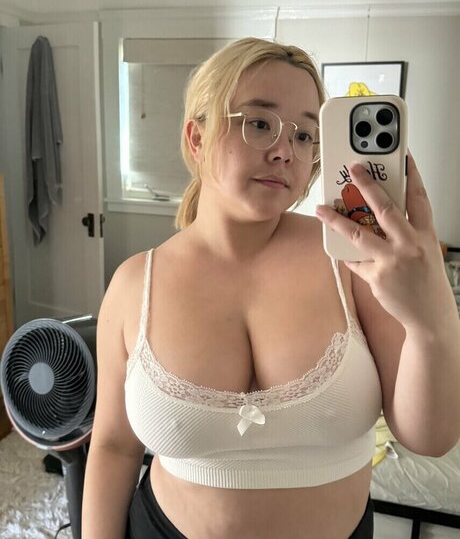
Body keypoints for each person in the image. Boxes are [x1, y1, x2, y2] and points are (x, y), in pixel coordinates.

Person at [81, 37, 460, 539]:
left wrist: (432, 321)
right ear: (197, 138)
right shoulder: (134, 284)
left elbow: (430, 438)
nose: (285, 152)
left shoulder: (355, 264)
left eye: (305, 135)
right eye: (260, 123)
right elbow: (113, 447)